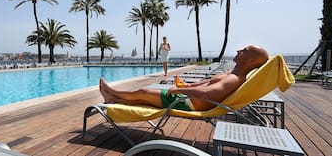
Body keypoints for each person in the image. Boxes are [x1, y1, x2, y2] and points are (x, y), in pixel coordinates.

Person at [99, 45, 269, 111]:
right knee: (144, 96)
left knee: (143, 91)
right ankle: (113, 97)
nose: (239, 50)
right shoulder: (232, 74)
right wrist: (189, 84)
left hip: (188, 103)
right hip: (189, 98)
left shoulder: (233, 79)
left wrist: (179, 89)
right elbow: (208, 82)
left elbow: (208, 93)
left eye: (245, 51)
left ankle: (112, 95)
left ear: (252, 60)